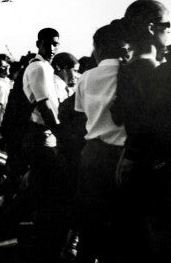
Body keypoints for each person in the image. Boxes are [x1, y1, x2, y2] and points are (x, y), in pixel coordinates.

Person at [112, 0, 170, 263]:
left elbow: (118, 115)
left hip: (131, 161)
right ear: (150, 28)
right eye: (166, 25)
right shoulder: (156, 71)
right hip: (153, 166)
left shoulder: (128, 67)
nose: (169, 31)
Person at [74, 23, 127, 263]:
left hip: (92, 152)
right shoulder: (128, 74)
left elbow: (81, 113)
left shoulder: (86, 77)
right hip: (121, 156)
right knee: (117, 220)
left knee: (89, 219)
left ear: (100, 47)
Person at [21, 27, 67, 261]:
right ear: (38, 43)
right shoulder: (39, 67)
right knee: (46, 193)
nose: (51, 48)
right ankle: (41, 246)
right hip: (42, 135)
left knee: (45, 191)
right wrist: (62, 134)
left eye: (55, 44)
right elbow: (45, 105)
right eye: (47, 43)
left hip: (43, 134)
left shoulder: (44, 67)